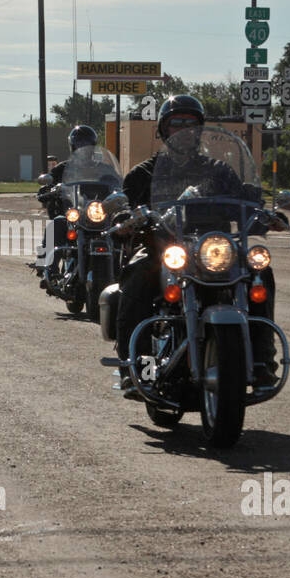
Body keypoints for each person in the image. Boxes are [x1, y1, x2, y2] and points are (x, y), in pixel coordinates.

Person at [114, 95, 278, 395]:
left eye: (190, 124)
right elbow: (126, 206)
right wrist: (125, 218)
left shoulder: (219, 170)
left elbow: (246, 197)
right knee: (138, 273)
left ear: (200, 129)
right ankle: (134, 363)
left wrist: (265, 211)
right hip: (164, 245)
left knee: (260, 273)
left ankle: (263, 360)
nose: (183, 130)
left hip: (214, 249)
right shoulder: (143, 174)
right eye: (176, 124)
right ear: (163, 131)